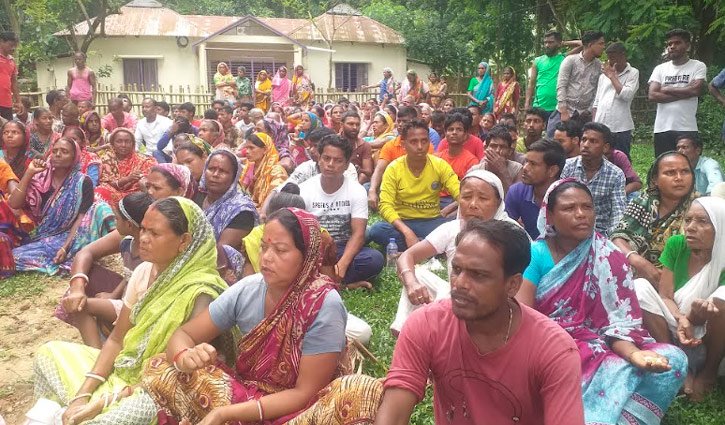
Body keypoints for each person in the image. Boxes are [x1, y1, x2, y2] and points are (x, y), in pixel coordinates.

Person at [142, 207, 382, 424]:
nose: (266, 257)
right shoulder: (248, 289)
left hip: (300, 412)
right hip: (244, 396)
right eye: (264, 247)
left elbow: (304, 394)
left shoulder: (323, 304)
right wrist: (185, 357)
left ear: (307, 257)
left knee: (358, 389)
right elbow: (183, 335)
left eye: (280, 250)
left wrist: (225, 414)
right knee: (161, 366)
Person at [33, 197, 228, 425]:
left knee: (104, 419)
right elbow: (117, 339)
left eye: (154, 233)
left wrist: (106, 400)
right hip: (127, 368)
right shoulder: (144, 271)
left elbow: (181, 373)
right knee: (48, 354)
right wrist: (83, 394)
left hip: (159, 390)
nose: (143, 238)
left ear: (184, 241)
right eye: (143, 229)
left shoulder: (202, 292)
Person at [376, 219, 585, 425]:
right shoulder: (427, 325)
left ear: (513, 285)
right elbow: (394, 414)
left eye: (478, 275)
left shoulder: (554, 350)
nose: (460, 283)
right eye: (457, 269)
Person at [516, 179, 687, 424]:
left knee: (675, 359)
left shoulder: (609, 255)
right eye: (569, 208)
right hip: (553, 346)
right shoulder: (535, 254)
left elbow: (619, 323)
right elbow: (524, 317)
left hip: (607, 345)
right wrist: (566, 344)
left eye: (587, 207)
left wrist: (634, 355)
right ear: (549, 215)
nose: (581, 214)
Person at [392, 169, 523, 332]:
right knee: (416, 274)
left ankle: (435, 327)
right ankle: (402, 331)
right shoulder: (453, 229)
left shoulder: (511, 234)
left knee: (447, 303)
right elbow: (408, 256)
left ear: (498, 203)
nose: (473, 204)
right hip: (457, 291)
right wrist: (411, 283)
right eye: (466, 197)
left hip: (491, 302)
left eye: (483, 198)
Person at [635, 197, 725, 401]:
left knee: (723, 297)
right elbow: (665, 295)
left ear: (720, 226)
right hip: (674, 327)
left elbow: (715, 310)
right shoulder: (677, 244)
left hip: (712, 339)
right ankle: (676, 362)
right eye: (688, 220)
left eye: (702, 221)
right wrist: (682, 318)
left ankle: (708, 372)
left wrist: (697, 316)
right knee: (639, 287)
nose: (690, 227)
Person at [57, 192, 154, 348]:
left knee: (80, 306)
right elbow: (130, 276)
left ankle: (95, 352)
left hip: (136, 307)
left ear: (129, 225)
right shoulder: (127, 244)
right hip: (125, 299)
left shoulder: (150, 254)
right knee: (77, 298)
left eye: (116, 219)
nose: (115, 222)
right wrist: (112, 295)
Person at [8, 138, 115, 275]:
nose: (58, 154)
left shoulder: (82, 182)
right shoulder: (40, 178)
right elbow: (14, 203)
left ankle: (105, 245)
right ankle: (72, 255)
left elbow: (81, 218)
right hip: (43, 235)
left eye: (64, 152)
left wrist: (65, 247)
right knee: (12, 257)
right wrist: (29, 173)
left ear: (74, 157)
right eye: (55, 151)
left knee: (101, 207)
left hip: (72, 235)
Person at [300, 135, 384, 290]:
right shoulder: (305, 189)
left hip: (342, 248)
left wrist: (341, 267)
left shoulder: (356, 190)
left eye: (338, 160)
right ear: (319, 159)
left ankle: (322, 282)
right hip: (314, 249)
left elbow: (358, 234)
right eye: (326, 158)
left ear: (346, 165)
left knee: (374, 259)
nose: (330, 165)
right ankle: (341, 284)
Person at [367, 120, 460, 250]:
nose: (420, 146)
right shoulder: (394, 168)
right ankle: (429, 246)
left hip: (431, 221)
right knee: (377, 230)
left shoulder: (440, 165)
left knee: (459, 227)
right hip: (402, 222)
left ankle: (419, 246)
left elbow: (458, 192)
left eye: (424, 141)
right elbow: (385, 205)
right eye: (414, 142)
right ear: (403, 145)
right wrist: (407, 232)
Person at [611, 152, 695, 286]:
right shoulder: (644, 201)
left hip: (684, 281)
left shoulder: (699, 208)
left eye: (685, 172)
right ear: (655, 179)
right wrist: (640, 262)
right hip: (641, 277)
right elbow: (618, 237)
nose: (679, 178)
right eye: (670, 173)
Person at [648, 29, 707, 157]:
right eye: (669, 44)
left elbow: (696, 90)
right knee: (664, 165)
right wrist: (687, 91)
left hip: (687, 127)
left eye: (677, 43)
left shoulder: (697, 66)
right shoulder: (660, 69)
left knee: (688, 165)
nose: (672, 47)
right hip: (662, 128)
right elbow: (652, 95)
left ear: (688, 45)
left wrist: (667, 89)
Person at [560, 122, 626, 235]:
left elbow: (618, 212)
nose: (586, 145)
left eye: (593, 141)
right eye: (584, 140)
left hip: (601, 233)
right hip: (569, 230)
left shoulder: (615, 174)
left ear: (605, 147)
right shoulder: (567, 167)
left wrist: (614, 237)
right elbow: (559, 201)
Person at [547, 30, 605, 137]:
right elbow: (561, 86)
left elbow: (597, 91)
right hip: (564, 111)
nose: (603, 47)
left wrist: (589, 111)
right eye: (600, 44)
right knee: (552, 143)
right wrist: (563, 111)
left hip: (584, 116)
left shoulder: (599, 66)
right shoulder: (570, 61)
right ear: (590, 45)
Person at [506, 138, 566, 239]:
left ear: (552, 171)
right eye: (526, 161)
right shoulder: (516, 192)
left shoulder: (567, 199)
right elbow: (507, 230)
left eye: (533, 164)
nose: (525, 168)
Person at [593, 42, 639, 159]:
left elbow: (626, 95)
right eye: (609, 58)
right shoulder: (603, 77)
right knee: (600, 157)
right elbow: (597, 102)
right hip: (601, 125)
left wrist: (612, 77)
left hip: (621, 127)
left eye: (613, 58)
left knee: (621, 158)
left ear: (623, 55)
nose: (610, 61)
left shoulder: (633, 73)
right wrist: (594, 124)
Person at [95, 128, 157, 205]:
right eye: (119, 141)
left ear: (133, 144)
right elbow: (108, 183)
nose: (123, 145)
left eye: (127, 141)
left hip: (135, 196)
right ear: (112, 143)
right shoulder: (107, 158)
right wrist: (128, 179)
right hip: (113, 193)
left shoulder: (144, 161)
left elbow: (149, 182)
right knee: (100, 191)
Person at [525, 30, 571, 122]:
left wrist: (564, 43)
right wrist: (527, 102)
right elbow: (531, 84)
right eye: (545, 42)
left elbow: (582, 45)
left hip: (557, 107)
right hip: (539, 106)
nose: (547, 45)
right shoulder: (537, 61)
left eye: (550, 42)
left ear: (558, 43)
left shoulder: (564, 58)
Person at [240, 132, 288, 209]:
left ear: (265, 149)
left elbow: (274, 199)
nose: (247, 152)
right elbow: (242, 189)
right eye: (246, 148)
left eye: (251, 148)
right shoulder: (249, 167)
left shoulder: (276, 171)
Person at [435, 113, 479, 193]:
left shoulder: (471, 162)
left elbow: (470, 190)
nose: (454, 132)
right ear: (445, 133)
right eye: (451, 129)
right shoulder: (437, 158)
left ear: (465, 135)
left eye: (459, 129)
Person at [472, 124, 523, 192]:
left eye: (503, 147)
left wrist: (503, 171)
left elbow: (517, 196)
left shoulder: (517, 169)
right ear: (485, 149)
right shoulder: (475, 171)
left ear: (509, 151)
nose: (497, 151)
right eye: (493, 146)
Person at [340, 111, 373, 185]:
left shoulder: (364, 145)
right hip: (335, 176)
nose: (355, 127)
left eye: (357, 124)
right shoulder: (333, 142)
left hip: (356, 180)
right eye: (350, 124)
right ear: (341, 125)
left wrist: (358, 169)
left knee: (363, 176)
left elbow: (368, 171)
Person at [0, 32, 19, 121]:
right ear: (2, 41)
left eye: (15, 46)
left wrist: (18, 101)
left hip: (7, 103)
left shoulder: (12, 61)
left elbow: (14, 82)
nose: (13, 48)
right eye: (11, 45)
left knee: (7, 127)